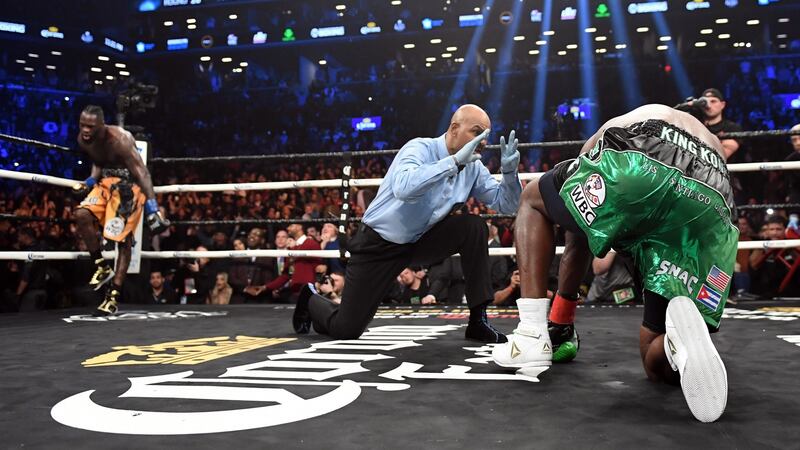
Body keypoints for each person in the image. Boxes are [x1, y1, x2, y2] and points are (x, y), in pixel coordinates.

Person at [492, 104, 738, 423]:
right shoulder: (710, 141)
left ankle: (531, 335)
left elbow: (578, 230)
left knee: (533, 200)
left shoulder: (643, 116)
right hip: (714, 208)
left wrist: (562, 322)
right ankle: (677, 344)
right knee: (653, 362)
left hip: (643, 160)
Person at [293, 104, 521, 343]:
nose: (483, 141)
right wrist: (452, 163)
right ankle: (309, 299)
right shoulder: (419, 148)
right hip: (379, 244)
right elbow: (404, 188)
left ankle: (478, 320)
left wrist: (509, 174)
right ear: (454, 128)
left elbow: (505, 204)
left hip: (421, 242)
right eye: (477, 132)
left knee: (473, 227)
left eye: (487, 135)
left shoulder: (473, 167)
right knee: (346, 328)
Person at [72, 105, 169, 315]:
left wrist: (153, 207)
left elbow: (142, 172)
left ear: (101, 125)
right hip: (105, 184)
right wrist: (89, 181)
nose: (85, 130)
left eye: (90, 126)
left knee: (121, 239)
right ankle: (101, 265)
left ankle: (113, 296)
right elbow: (98, 160)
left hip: (129, 186)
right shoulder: (83, 139)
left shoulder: (120, 139)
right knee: (81, 214)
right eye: (82, 125)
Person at [700, 88, 743, 161]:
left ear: (722, 105)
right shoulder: (695, 126)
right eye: (705, 102)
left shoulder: (732, 128)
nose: (708, 106)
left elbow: (718, 157)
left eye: (713, 101)